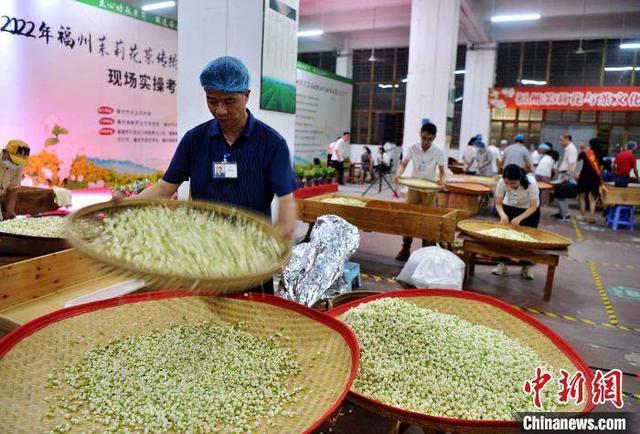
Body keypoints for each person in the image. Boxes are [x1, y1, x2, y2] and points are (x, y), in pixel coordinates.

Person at [124, 56, 298, 293]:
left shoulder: (271, 143)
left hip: (252, 257)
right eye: (212, 100)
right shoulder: (195, 140)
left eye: (229, 101)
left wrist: (280, 236)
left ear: (246, 95)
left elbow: (286, 200)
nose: (220, 110)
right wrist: (125, 207)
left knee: (253, 320)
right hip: (204, 254)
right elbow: (165, 188)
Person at [392, 122, 447, 261]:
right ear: (420, 135)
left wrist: (442, 180)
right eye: (423, 138)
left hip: (429, 189)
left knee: (428, 219)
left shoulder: (438, 151)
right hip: (413, 187)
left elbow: (442, 171)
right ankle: (405, 248)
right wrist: (398, 174)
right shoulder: (413, 148)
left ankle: (427, 251)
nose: (426, 142)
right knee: (409, 217)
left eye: (429, 139)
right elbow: (404, 164)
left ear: (434, 138)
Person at [492, 164, 541, 280]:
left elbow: (533, 206)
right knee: (505, 237)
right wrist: (503, 215)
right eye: (507, 183)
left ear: (520, 179)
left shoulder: (531, 183)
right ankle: (502, 264)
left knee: (527, 239)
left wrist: (520, 218)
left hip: (529, 211)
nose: (509, 186)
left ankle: (526, 266)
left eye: (513, 183)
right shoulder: (502, 182)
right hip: (509, 207)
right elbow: (498, 203)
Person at [577, 138, 604, 224]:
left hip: (584, 175)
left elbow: (577, 159)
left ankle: (583, 216)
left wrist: (581, 149)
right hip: (594, 177)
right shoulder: (601, 153)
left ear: (590, 144)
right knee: (592, 198)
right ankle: (592, 217)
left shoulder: (586, 152)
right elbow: (601, 167)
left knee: (582, 196)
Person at [0, 140, 29, 220]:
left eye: (18, 162)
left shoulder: (19, 166)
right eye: (13, 160)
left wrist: (10, 209)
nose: (16, 164)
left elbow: (13, 187)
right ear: (5, 152)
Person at [553, 133, 578, 221]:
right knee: (561, 194)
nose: (560, 142)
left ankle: (565, 215)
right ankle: (561, 213)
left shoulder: (571, 149)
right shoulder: (568, 148)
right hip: (564, 173)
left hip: (565, 174)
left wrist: (567, 175)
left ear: (567, 139)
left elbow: (571, 163)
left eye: (562, 140)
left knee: (562, 195)